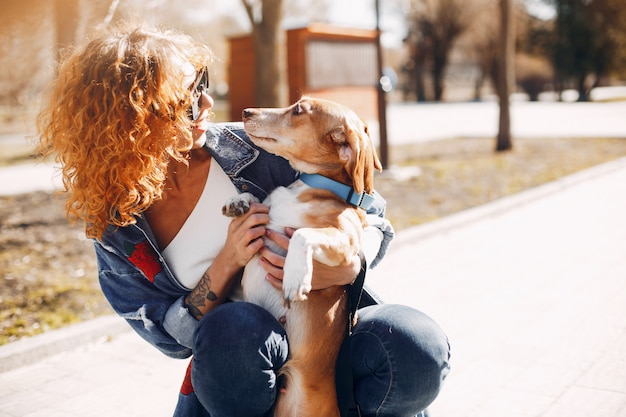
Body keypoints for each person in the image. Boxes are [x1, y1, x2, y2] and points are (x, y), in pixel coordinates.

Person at [37, 23, 450, 417]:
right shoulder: (118, 231)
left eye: (203, 83)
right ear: (133, 120)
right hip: (239, 367)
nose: (207, 104)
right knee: (232, 329)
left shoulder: (256, 144)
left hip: (324, 335)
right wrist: (226, 264)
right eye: (186, 99)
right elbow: (170, 338)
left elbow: (372, 212)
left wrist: (351, 265)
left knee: (415, 347)